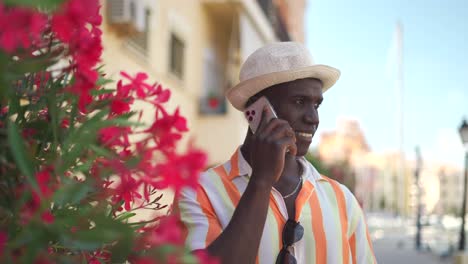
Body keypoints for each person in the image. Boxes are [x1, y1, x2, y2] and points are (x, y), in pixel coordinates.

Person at [174, 42, 376, 264]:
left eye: (316, 105)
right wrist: (261, 180)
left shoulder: (342, 200)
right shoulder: (200, 192)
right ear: (256, 111)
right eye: (299, 101)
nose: (314, 118)